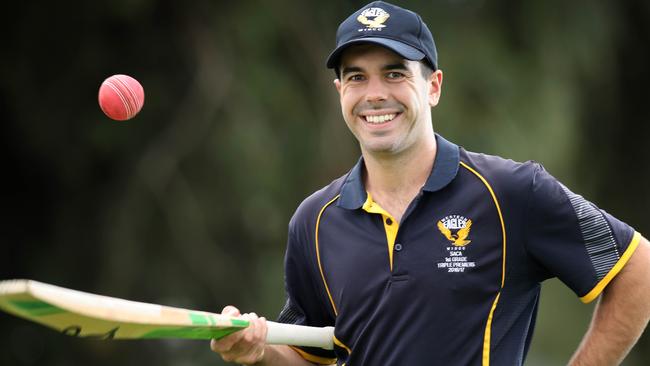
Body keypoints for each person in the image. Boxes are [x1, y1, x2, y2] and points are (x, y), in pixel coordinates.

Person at [210, 1, 650, 365]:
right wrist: (259, 351)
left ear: (433, 86)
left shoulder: (513, 192)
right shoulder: (315, 221)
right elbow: (311, 358)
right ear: (339, 91)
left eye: (395, 73)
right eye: (356, 77)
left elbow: (641, 270)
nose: (374, 93)